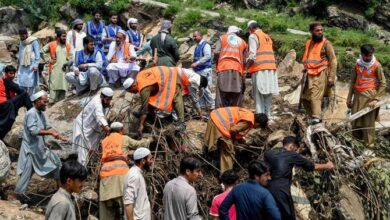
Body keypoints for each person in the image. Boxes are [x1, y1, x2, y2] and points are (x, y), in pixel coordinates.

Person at [264, 136, 334, 220]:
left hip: (265, 187)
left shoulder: (269, 153)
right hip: (281, 189)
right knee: (288, 216)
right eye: (296, 149)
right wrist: (327, 165)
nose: (296, 151)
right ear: (291, 146)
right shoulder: (292, 155)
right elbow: (312, 166)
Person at [14, 91, 67, 193]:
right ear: (37, 101)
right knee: (25, 175)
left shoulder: (41, 114)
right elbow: (33, 131)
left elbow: (48, 127)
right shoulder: (31, 113)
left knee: (57, 164)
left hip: (41, 149)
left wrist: (59, 135)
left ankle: (60, 190)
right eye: (44, 101)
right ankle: (16, 195)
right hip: (31, 151)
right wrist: (50, 134)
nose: (46, 103)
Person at [100, 122, 153, 220]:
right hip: (121, 174)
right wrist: (148, 140)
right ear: (120, 130)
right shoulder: (123, 138)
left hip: (105, 176)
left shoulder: (104, 141)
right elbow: (138, 144)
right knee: (126, 205)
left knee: (107, 210)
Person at [205, 107, 268, 173]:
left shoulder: (249, 114)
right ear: (258, 123)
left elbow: (235, 129)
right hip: (219, 123)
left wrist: (240, 140)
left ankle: (214, 159)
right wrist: (234, 141)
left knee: (223, 145)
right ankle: (227, 175)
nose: (256, 128)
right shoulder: (248, 122)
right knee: (229, 152)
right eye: (258, 127)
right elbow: (233, 130)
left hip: (215, 116)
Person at [123, 66, 185, 134]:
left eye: (131, 91)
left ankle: (181, 123)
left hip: (169, 75)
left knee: (175, 98)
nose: (133, 93)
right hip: (163, 73)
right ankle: (149, 114)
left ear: (133, 86)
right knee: (150, 100)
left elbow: (145, 109)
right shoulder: (138, 77)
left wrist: (141, 125)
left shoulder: (144, 88)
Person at [347, 44, 386, 148]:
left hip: (370, 98)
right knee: (355, 123)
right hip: (357, 97)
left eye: (370, 55)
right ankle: (357, 147)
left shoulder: (377, 66)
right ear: (362, 54)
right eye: (366, 56)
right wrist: (349, 98)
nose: (368, 58)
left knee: (368, 125)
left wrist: (376, 99)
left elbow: (383, 83)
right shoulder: (357, 65)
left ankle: (369, 147)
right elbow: (352, 82)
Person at [301, 22, 337, 124]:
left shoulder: (326, 43)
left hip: (320, 73)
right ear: (311, 32)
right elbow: (308, 58)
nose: (320, 32)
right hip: (308, 74)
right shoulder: (308, 43)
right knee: (304, 98)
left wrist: (331, 77)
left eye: (321, 30)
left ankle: (317, 119)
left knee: (315, 97)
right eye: (317, 31)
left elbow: (333, 60)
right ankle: (311, 117)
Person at [71, 87, 113, 166]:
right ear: (102, 97)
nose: (109, 102)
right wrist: (109, 131)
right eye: (107, 100)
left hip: (91, 129)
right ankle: (81, 171)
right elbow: (100, 117)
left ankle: (87, 168)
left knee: (92, 150)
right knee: (82, 153)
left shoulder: (102, 99)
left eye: (110, 100)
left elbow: (103, 110)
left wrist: (107, 104)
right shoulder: (96, 104)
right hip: (83, 127)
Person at [246, 20, 279, 118]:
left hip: (260, 68)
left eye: (249, 30)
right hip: (271, 68)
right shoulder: (267, 36)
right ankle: (268, 115)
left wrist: (246, 68)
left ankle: (260, 116)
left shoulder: (253, 36)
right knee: (268, 93)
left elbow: (252, 55)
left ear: (251, 28)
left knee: (258, 94)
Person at [214, 26, 247, 108]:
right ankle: (235, 114)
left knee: (221, 94)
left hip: (224, 67)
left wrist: (216, 62)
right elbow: (244, 60)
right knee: (236, 94)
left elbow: (216, 52)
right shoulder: (243, 42)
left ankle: (220, 114)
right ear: (237, 32)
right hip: (237, 69)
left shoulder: (222, 38)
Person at [0, 65, 32, 140]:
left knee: (23, 95)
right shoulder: (6, 80)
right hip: (5, 104)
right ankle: (32, 112)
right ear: (6, 73)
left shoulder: (4, 80)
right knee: (24, 94)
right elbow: (19, 90)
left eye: (13, 74)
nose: (12, 75)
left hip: (6, 103)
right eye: (10, 73)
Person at [41, 29, 71, 103]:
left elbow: (71, 57)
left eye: (65, 36)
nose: (65, 38)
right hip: (54, 70)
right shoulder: (52, 44)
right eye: (63, 36)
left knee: (63, 89)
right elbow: (41, 51)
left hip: (64, 72)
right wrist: (48, 60)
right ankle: (51, 105)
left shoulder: (67, 45)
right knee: (53, 88)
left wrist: (69, 62)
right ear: (58, 37)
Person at [123, 147, 154, 220]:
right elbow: (128, 203)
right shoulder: (134, 176)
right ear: (143, 161)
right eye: (150, 159)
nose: (152, 161)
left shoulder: (137, 173)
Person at [191, 30, 215, 111]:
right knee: (200, 88)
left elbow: (208, 56)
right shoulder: (197, 46)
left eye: (195, 36)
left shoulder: (205, 45)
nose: (193, 38)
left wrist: (197, 63)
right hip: (198, 70)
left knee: (205, 88)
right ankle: (202, 105)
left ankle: (212, 104)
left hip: (205, 69)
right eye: (193, 36)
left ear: (200, 36)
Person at [17, 27, 40, 96]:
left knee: (31, 83)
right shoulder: (21, 42)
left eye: (23, 36)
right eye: (21, 36)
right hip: (22, 66)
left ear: (26, 34)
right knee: (21, 82)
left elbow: (37, 54)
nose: (22, 37)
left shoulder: (33, 41)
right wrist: (18, 64)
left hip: (31, 66)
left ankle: (31, 99)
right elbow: (20, 53)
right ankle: (23, 98)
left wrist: (36, 65)